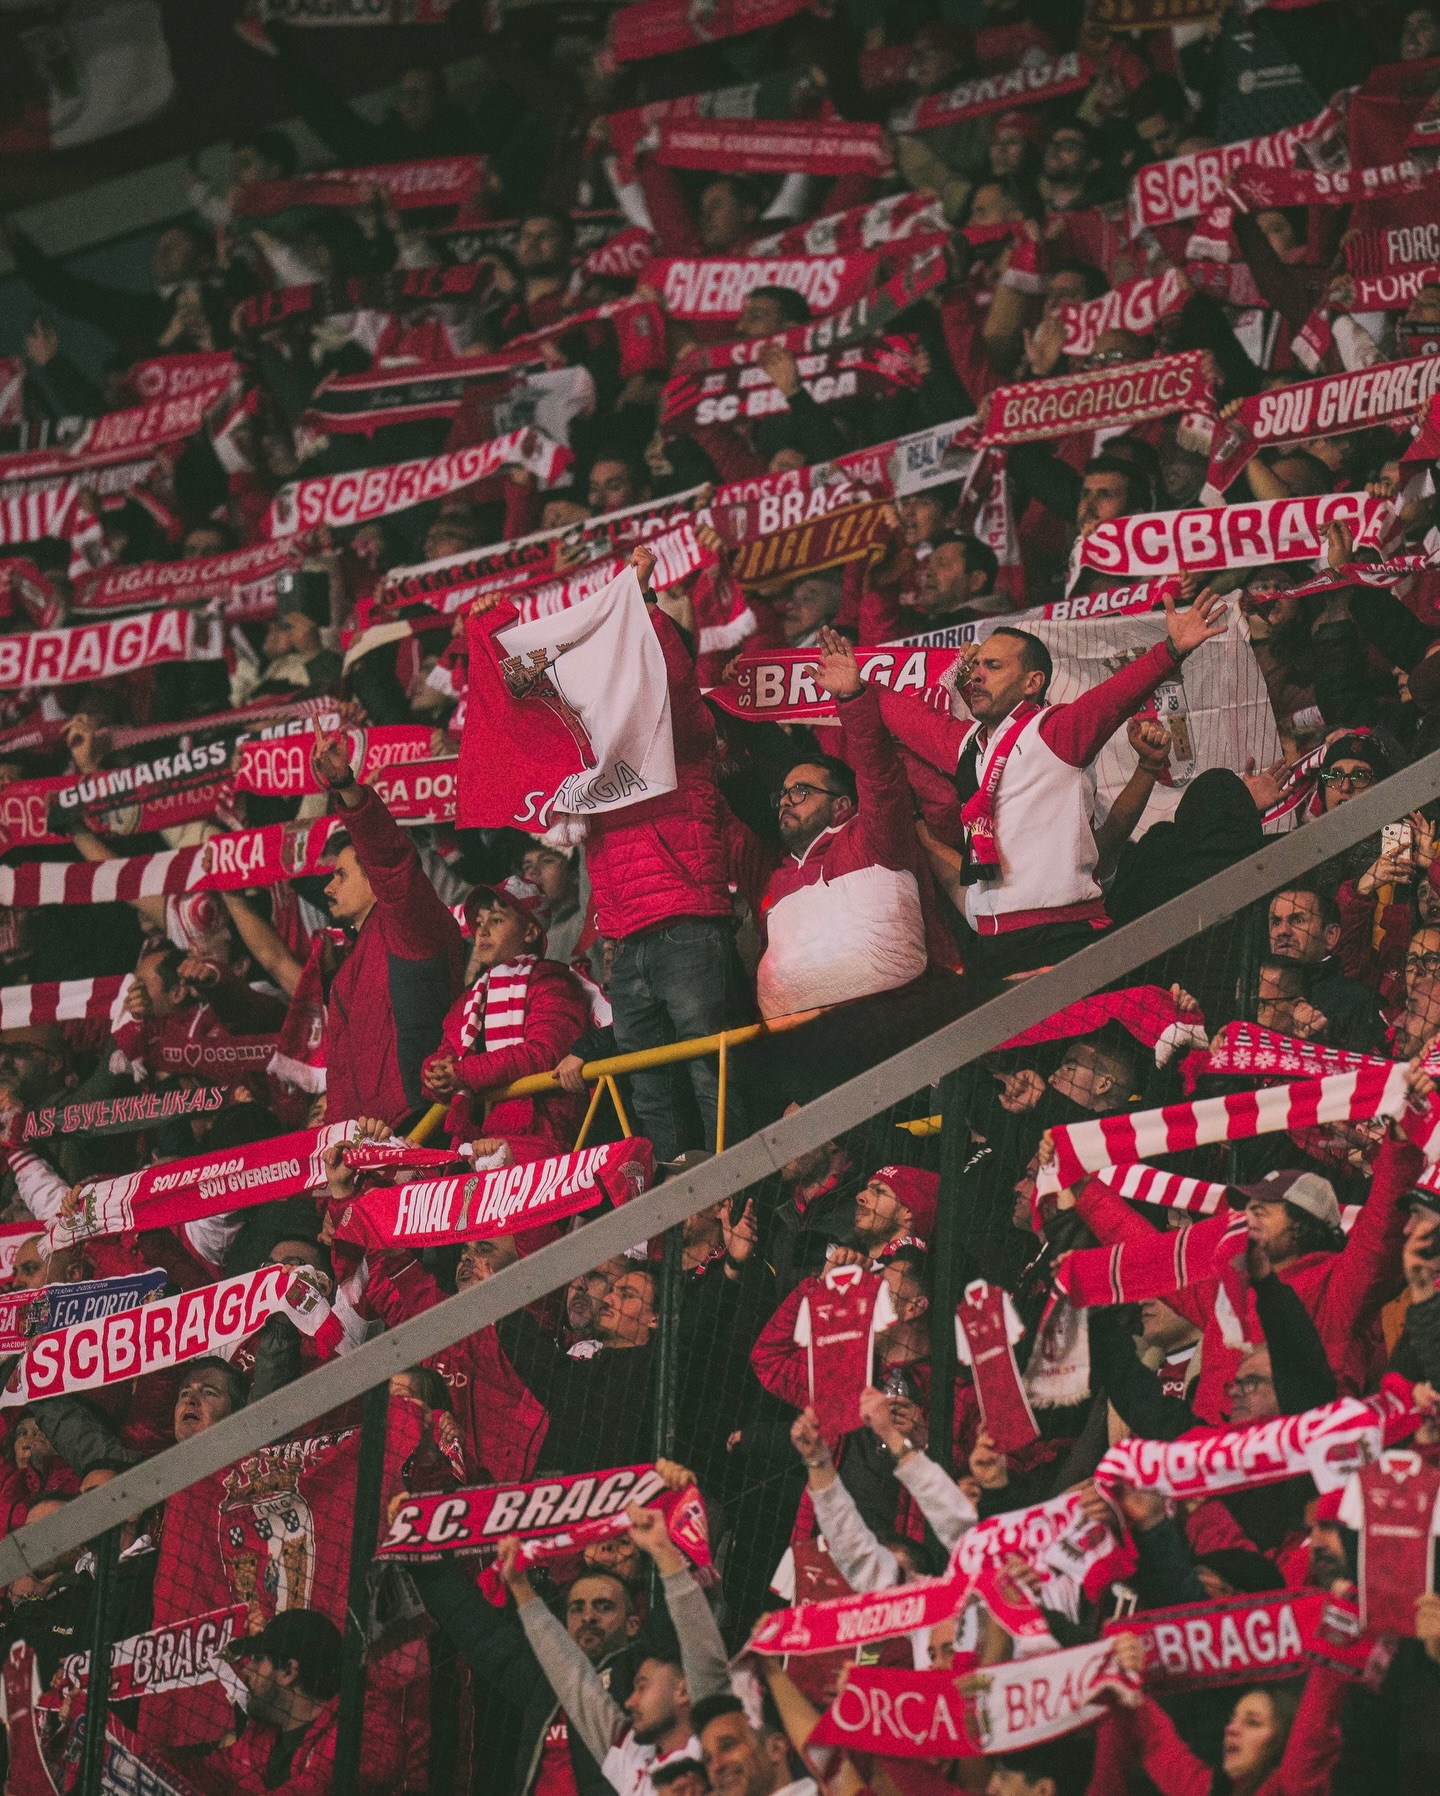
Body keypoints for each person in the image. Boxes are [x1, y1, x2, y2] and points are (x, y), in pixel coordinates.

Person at [880, 591, 1230, 975]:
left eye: (992, 665)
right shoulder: (967, 746)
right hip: (991, 944)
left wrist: (1171, 650)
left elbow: (1114, 698)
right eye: (975, 665)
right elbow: (907, 717)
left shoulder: (1053, 732)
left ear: (1033, 682)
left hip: (1061, 937)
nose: (975, 673)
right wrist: (857, 688)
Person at [493, 1501, 732, 1796]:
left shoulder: (718, 1739)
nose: (630, 1701)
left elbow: (701, 1647)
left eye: (642, 1686)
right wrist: (520, 1588)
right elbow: (574, 1683)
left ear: (682, 1690)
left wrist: (664, 1553)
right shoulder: (632, 1763)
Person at [310, 717, 466, 1125]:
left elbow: (390, 859)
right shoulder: (346, 973)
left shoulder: (407, 927)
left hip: (424, 1123)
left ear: (373, 880)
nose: (329, 889)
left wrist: (348, 788)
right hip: (369, 1145)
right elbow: (341, 1078)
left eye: (341, 875)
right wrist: (340, 1146)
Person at [420, 877, 590, 1151]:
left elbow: (544, 1053)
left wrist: (462, 1072)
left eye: (496, 920)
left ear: (531, 932)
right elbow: (449, 1052)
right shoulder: (471, 997)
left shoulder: (552, 984)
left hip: (543, 1130)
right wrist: (435, 1075)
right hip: (482, 1135)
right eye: (479, 922)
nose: (482, 931)